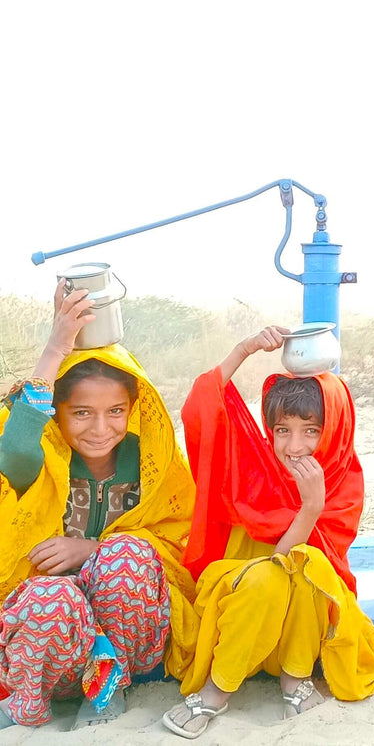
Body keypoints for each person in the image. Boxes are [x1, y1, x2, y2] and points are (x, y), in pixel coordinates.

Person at [162, 326, 374, 739]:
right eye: (282, 430)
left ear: (334, 430)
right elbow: (200, 408)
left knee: (310, 566)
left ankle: (294, 676)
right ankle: (217, 689)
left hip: (294, 632)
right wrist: (244, 349)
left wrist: (313, 506)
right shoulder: (254, 467)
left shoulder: (342, 485)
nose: (294, 446)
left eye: (311, 430)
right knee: (270, 575)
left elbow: (303, 561)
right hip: (231, 618)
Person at [0, 283, 197, 729]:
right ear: (57, 413)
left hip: (134, 639)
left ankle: (108, 689)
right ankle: (30, 701)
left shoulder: (151, 463)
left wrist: (89, 551)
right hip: (55, 646)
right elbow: (12, 451)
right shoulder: (45, 461)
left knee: (128, 555)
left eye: (115, 411)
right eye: (82, 412)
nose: (100, 427)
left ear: (133, 409)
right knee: (50, 593)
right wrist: (55, 347)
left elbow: (172, 541)